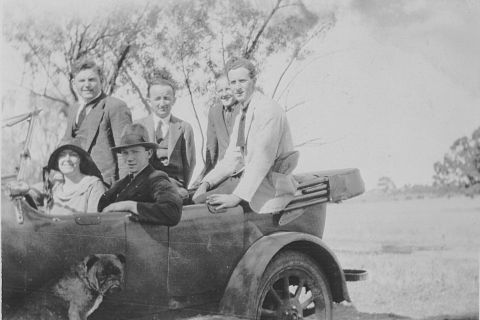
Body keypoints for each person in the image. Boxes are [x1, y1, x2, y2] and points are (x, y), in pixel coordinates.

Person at [193, 57, 299, 214]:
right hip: (253, 183)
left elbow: (262, 160)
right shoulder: (244, 112)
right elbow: (233, 157)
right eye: (233, 82)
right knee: (196, 198)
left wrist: (236, 197)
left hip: (271, 187)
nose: (237, 87)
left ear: (253, 80)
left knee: (204, 206)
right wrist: (206, 183)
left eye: (242, 81)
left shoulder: (268, 110)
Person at [60, 58, 132, 186]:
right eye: (81, 80)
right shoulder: (74, 109)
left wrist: (123, 190)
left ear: (101, 81)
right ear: (73, 83)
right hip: (75, 182)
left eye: (91, 80)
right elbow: (65, 144)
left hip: (105, 184)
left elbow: (125, 153)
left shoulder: (115, 106)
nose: (86, 85)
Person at [97, 123, 183, 226]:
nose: (129, 158)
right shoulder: (120, 184)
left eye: (135, 152)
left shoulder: (156, 179)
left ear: (149, 153)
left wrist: (129, 206)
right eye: (125, 153)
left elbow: (171, 212)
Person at [10, 144, 107, 215]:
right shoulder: (53, 186)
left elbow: (96, 226)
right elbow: (29, 194)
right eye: (62, 155)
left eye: (73, 154)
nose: (67, 159)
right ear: (57, 162)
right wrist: (22, 190)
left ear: (81, 160)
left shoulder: (93, 185)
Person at [135, 77, 196, 190]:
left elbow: (189, 162)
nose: (162, 103)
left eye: (166, 98)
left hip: (174, 184)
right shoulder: (138, 126)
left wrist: (183, 187)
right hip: (145, 182)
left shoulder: (184, 127)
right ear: (149, 101)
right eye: (157, 99)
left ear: (174, 100)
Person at [193, 75, 239, 185]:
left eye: (228, 89)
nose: (224, 94)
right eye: (220, 91)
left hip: (244, 169)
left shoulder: (245, 108)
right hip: (224, 171)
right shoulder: (214, 112)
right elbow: (211, 150)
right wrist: (204, 175)